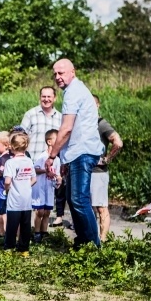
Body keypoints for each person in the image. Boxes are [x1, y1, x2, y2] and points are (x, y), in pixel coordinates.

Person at [47, 59, 104, 249]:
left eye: (61, 73)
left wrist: (52, 155)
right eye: (55, 74)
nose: (57, 77)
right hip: (76, 153)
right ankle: (82, 242)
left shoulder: (73, 92)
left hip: (83, 151)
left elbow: (66, 129)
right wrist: (65, 158)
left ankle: (93, 247)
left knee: (79, 199)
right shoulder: (74, 90)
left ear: (73, 72)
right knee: (73, 199)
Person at [21, 86, 67, 226]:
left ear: (54, 98)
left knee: (47, 201)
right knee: (29, 198)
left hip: (51, 166)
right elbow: (22, 136)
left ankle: (42, 231)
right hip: (33, 163)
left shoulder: (60, 117)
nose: (46, 99)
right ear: (40, 97)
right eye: (43, 96)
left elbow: (64, 140)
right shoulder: (31, 114)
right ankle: (26, 229)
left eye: (49, 96)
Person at [90, 94, 124, 242]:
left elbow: (118, 142)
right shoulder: (84, 124)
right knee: (88, 209)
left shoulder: (101, 124)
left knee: (101, 208)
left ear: (97, 106)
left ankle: (103, 241)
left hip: (98, 173)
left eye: (91, 104)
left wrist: (107, 158)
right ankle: (91, 241)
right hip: (84, 171)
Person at [4, 131, 36, 254]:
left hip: (14, 200)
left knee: (12, 225)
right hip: (27, 199)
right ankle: (24, 249)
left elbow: (7, 181)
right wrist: (25, 186)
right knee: (25, 225)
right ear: (26, 146)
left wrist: (7, 189)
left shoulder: (10, 163)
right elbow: (34, 179)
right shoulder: (28, 161)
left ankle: (9, 247)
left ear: (11, 147)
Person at [32, 129, 61, 243]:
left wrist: (58, 180)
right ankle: (37, 233)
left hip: (49, 188)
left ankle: (44, 232)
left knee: (47, 212)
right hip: (40, 188)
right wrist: (46, 171)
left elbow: (57, 174)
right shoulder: (42, 157)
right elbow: (36, 169)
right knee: (40, 211)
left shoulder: (57, 159)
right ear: (49, 142)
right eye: (56, 139)